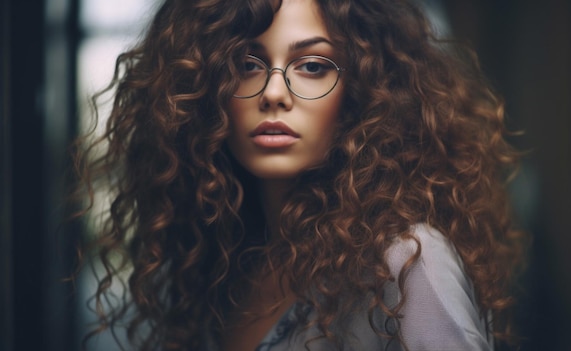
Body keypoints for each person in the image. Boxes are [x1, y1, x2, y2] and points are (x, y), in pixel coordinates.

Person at [75, 0, 525, 350]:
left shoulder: (406, 261)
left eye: (312, 66)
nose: (274, 93)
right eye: (247, 64)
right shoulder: (227, 261)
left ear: (365, 91)